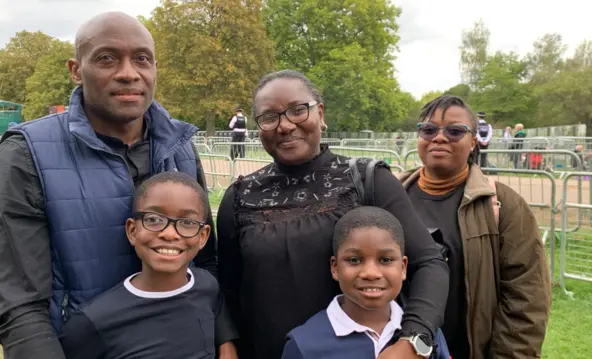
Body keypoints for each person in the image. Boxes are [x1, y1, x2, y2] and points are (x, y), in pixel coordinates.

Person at [0, 12, 236, 359]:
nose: (128, 72)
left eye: (142, 59)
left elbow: (205, 260)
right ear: (76, 70)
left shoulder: (180, 145)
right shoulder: (26, 154)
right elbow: (21, 304)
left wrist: (223, 339)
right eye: (107, 58)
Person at [218, 70, 449, 359]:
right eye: (269, 117)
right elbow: (226, 286)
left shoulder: (367, 180)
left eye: (297, 110)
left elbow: (429, 263)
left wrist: (413, 340)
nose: (285, 125)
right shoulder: (240, 196)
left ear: (321, 113)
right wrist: (227, 342)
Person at [398, 95, 551, 359]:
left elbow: (526, 299)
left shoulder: (504, 205)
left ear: (473, 141)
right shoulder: (392, 196)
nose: (439, 137)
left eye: (455, 131)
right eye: (429, 129)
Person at [60, 172, 236, 359]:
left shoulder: (207, 285)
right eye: (153, 219)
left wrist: (227, 344)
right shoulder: (90, 323)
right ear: (132, 230)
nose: (169, 234)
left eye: (187, 222)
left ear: (203, 237)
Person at [281, 206, 450, 359]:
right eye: (354, 260)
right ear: (335, 268)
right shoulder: (304, 345)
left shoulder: (424, 333)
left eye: (385, 260)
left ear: (403, 268)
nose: (371, 273)